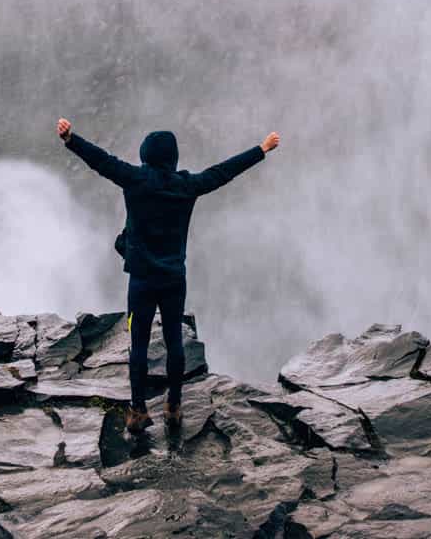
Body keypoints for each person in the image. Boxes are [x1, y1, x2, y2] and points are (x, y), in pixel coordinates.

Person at [57, 117, 279, 433]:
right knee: (174, 341)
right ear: (173, 157)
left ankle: (138, 410)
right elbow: (222, 172)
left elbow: (102, 161)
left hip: (141, 281)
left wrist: (71, 139)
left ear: (145, 155)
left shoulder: (135, 179)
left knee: (138, 343)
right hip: (174, 279)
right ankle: (174, 406)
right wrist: (261, 149)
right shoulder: (186, 186)